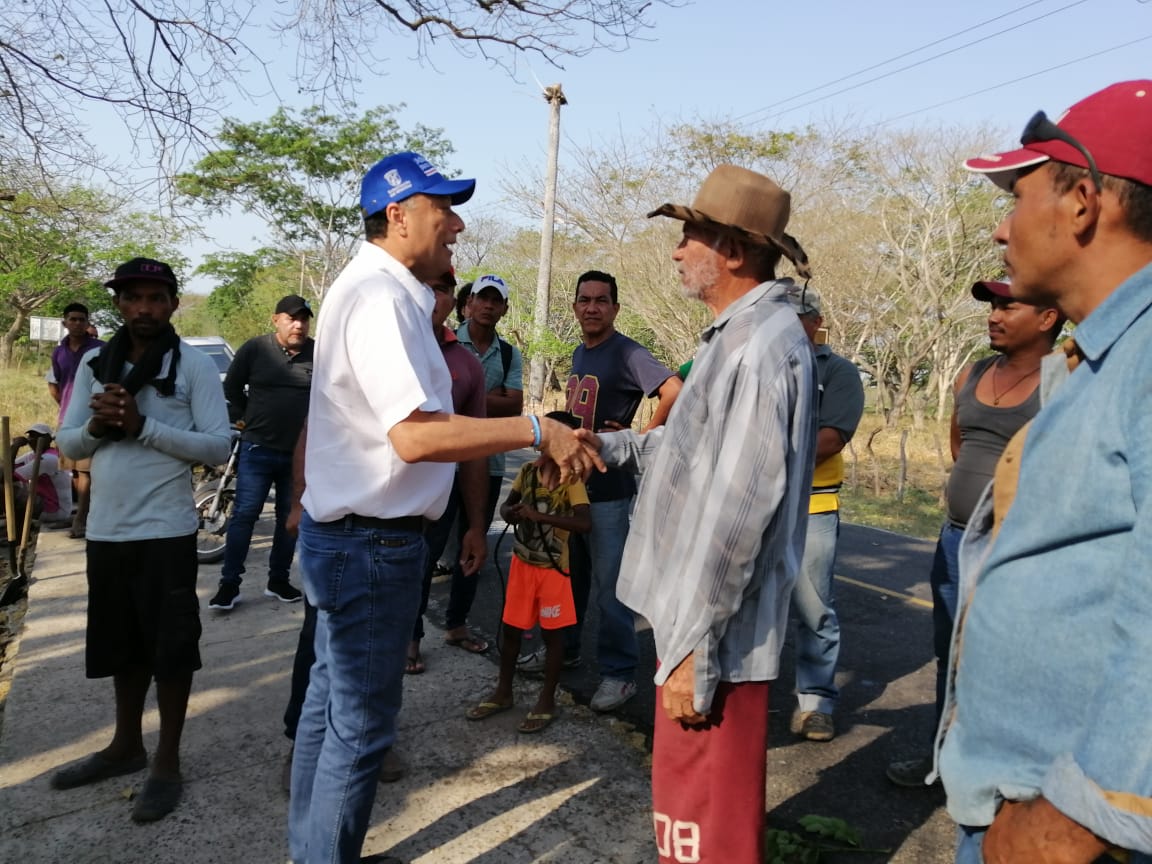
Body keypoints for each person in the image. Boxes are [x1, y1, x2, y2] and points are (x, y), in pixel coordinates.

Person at [287, 150, 600, 864]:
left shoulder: (382, 292)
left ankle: (311, 850)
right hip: (372, 543)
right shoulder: (380, 297)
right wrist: (535, 430)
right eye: (442, 209)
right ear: (398, 215)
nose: (455, 225)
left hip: (360, 537)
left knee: (328, 706)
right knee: (360, 729)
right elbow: (416, 435)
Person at [567, 164, 817, 864]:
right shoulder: (732, 338)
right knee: (684, 828)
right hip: (697, 633)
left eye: (691, 235)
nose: (677, 251)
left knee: (709, 837)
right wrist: (603, 446)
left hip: (716, 646)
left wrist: (690, 656)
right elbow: (682, 449)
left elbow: (738, 520)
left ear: (733, 251)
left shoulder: (762, 348)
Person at [937, 80, 1152, 864]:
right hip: (1031, 802)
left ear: (1084, 203)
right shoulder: (1096, 357)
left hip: (1077, 830)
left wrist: (1079, 820)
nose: (1002, 228)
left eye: (1018, 195)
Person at [51, 257, 231, 823]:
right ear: (119, 306)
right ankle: (126, 746)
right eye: (133, 299)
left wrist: (141, 426)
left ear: (174, 303)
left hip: (167, 532)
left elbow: (217, 447)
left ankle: (167, 763)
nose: (144, 309)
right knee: (122, 648)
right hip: (107, 531)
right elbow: (70, 446)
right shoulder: (92, 364)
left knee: (172, 651)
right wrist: (100, 428)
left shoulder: (194, 367)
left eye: (156, 298)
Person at [885, 278, 1061, 787]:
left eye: (1009, 306)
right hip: (955, 541)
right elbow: (961, 446)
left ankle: (1011, 778)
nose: (994, 315)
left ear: (1048, 318)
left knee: (1007, 664)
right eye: (992, 306)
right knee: (951, 658)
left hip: (1019, 553)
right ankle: (943, 762)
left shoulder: (1064, 381)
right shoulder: (973, 373)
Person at [519, 270, 681, 713]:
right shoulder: (579, 352)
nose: (592, 307)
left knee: (612, 589)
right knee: (571, 579)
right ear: (575, 306)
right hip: (576, 488)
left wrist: (640, 435)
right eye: (585, 300)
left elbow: (675, 391)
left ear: (615, 308)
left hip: (610, 489)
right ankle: (564, 650)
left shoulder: (627, 352)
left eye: (601, 300)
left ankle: (619, 674)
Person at [467, 410, 591, 734]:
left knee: (553, 637)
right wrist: (513, 512)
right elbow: (507, 507)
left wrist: (541, 517)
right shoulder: (526, 473)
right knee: (510, 630)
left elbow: (584, 523)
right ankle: (503, 692)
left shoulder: (572, 481)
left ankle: (547, 700)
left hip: (553, 571)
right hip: (523, 565)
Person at [785, 282, 865, 743]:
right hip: (759, 503)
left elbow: (830, 439)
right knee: (743, 603)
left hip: (812, 505)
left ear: (815, 322)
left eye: (795, 318)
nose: (785, 328)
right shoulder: (763, 367)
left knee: (813, 608)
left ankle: (816, 701)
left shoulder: (838, 372)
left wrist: (763, 458)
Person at [208, 294, 314, 610]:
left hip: (299, 455)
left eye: (304, 318)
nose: (298, 324)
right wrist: (245, 417)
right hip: (258, 448)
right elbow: (231, 388)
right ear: (276, 319)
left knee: (288, 519)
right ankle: (229, 585)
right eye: (292, 318)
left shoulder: (319, 352)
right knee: (243, 517)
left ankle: (278, 581)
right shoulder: (256, 349)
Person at [444, 273, 524, 653]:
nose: (489, 305)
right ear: (468, 303)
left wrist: (468, 396)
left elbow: (516, 406)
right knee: (425, 547)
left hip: (488, 463)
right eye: (483, 298)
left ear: (505, 308)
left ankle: (457, 625)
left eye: (497, 300)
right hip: (441, 461)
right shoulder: (442, 343)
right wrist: (488, 395)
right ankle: (410, 637)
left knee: (473, 544)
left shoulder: (509, 353)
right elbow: (437, 399)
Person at [49, 302, 104, 538]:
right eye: (73, 319)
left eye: (82, 319)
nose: (77, 324)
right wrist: (67, 407)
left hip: (92, 419)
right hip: (67, 419)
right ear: (65, 323)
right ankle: (80, 513)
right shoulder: (58, 352)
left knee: (87, 472)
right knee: (71, 470)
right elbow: (55, 384)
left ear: (88, 322)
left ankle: (81, 520)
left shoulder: (101, 349)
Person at [4, 423, 73, 526]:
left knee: (5, 490)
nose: (33, 439)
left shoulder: (48, 459)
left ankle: (17, 535)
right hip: (43, 502)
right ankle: (15, 528)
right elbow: (5, 468)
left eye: (38, 436)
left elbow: (7, 478)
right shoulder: (33, 455)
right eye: (31, 436)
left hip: (56, 510)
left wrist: (15, 446)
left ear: (48, 439)